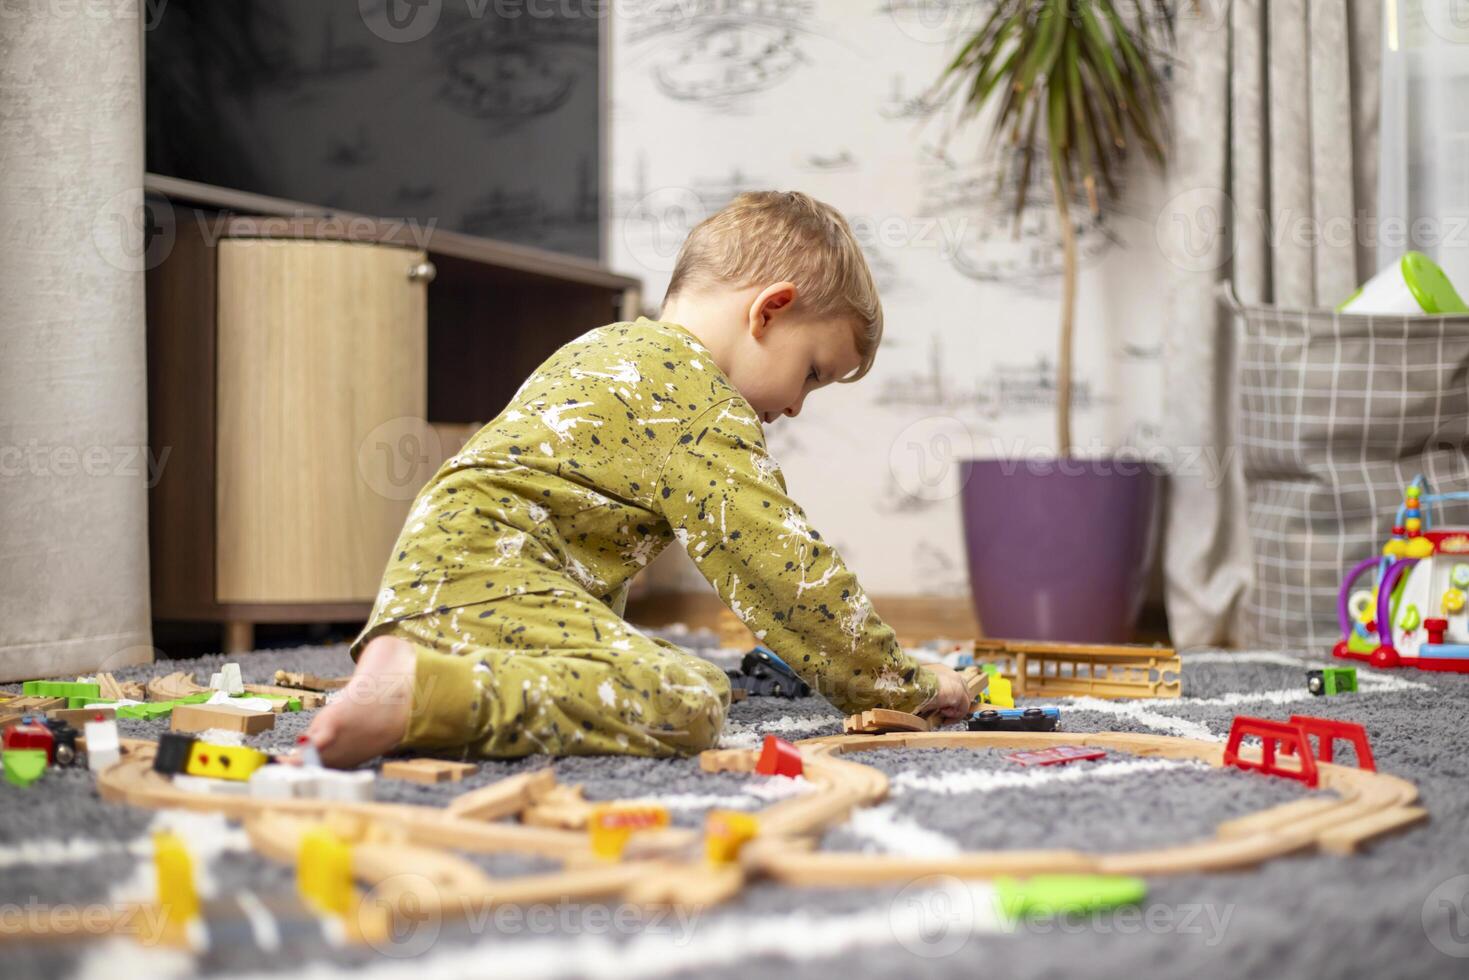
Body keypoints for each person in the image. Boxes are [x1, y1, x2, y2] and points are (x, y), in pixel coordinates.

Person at [305, 191, 972, 767]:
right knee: (690, 696)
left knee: (629, 662)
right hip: (496, 575)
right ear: (767, 311)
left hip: (433, 578)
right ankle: (422, 694)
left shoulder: (607, 345)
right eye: (811, 373)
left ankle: (422, 674)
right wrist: (900, 685)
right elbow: (783, 571)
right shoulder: (698, 399)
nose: (797, 405)